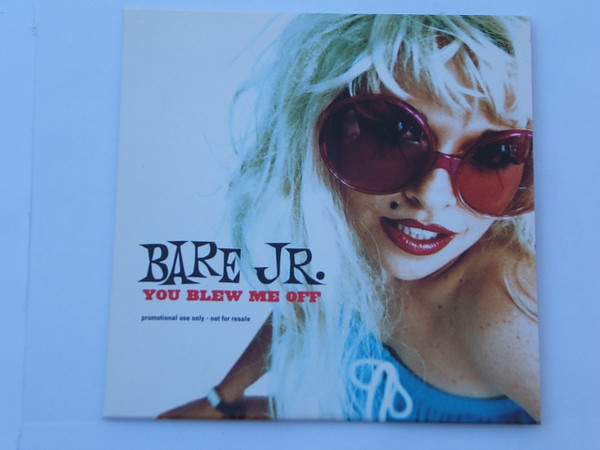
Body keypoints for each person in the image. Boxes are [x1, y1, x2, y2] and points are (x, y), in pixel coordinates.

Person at [159, 13, 539, 423]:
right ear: (319, 129)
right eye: (396, 133)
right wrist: (223, 400)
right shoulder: (352, 238)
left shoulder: (509, 314)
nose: (431, 196)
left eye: (496, 155)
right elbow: (310, 304)